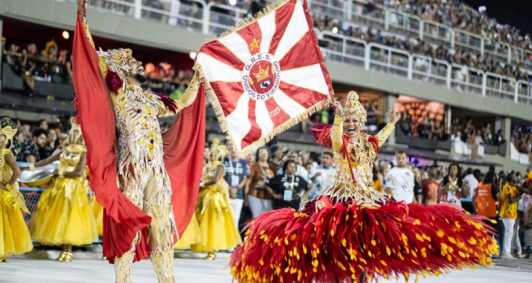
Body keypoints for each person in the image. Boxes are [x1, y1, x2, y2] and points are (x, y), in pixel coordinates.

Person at [230, 91, 497, 283]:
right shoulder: (342, 141)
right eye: (348, 121)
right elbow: (335, 141)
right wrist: (336, 119)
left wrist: (391, 124)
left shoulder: (369, 142)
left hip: (367, 197)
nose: (351, 124)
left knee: (378, 236)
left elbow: (380, 137)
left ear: (361, 122)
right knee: (322, 230)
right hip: (339, 196)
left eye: (354, 120)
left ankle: (360, 275)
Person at [74, 0, 205, 281]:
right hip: (130, 169)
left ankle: (166, 279)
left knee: (162, 229)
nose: (137, 62)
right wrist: (83, 19)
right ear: (120, 66)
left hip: (156, 171)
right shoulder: (116, 92)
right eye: (131, 59)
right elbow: (92, 58)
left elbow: (181, 104)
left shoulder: (151, 99)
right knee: (129, 230)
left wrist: (198, 77)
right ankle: (123, 280)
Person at [27, 119, 98, 262]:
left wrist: (59, 173)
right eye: (73, 132)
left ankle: (69, 251)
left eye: (77, 133)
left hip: (73, 189)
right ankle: (64, 250)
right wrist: (29, 168)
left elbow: (78, 172)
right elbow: (47, 161)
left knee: (71, 218)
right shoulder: (64, 150)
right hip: (60, 189)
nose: (74, 135)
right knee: (61, 218)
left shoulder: (83, 153)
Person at [191, 139, 241, 259]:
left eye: (215, 152)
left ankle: (213, 250)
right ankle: (208, 249)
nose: (212, 154)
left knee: (213, 222)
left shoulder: (220, 166)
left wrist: (201, 185)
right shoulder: (207, 165)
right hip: (204, 196)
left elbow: (215, 180)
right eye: (211, 152)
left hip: (214, 198)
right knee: (205, 222)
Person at [0, 120, 33, 262]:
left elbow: (17, 171)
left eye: (2, 137)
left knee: (3, 223)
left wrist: (7, 186)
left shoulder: (7, 154)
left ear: (7, 140)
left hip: (3, 193)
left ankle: (3, 250)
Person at [473, 170, 501, 259]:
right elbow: (500, 196)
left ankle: (482, 252)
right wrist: (499, 186)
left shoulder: (480, 185)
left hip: (481, 213)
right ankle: (489, 252)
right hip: (491, 214)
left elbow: (475, 198)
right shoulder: (492, 187)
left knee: (484, 233)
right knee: (491, 234)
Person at [245, 146, 276, 218]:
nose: (264, 154)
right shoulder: (254, 166)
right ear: (257, 155)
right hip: (254, 194)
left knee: (267, 219)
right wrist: (246, 199)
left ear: (268, 155)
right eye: (261, 152)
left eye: (266, 152)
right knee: (256, 217)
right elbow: (247, 183)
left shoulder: (272, 167)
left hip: (268, 196)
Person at [223, 148, 249, 228]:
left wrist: (236, 188)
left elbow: (244, 178)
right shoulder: (224, 160)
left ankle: (233, 240)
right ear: (229, 150)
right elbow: (221, 177)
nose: (234, 150)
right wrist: (229, 188)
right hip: (226, 194)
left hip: (239, 195)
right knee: (224, 218)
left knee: (235, 219)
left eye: (236, 149)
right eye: (232, 148)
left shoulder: (243, 162)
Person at [500, 174, 523, 260]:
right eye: (514, 178)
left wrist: (518, 186)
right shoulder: (507, 187)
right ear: (511, 179)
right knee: (508, 233)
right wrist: (519, 197)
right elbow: (511, 200)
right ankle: (506, 253)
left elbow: (525, 191)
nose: (515, 179)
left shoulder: (513, 187)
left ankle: (506, 252)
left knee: (509, 233)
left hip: (512, 214)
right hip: (507, 213)